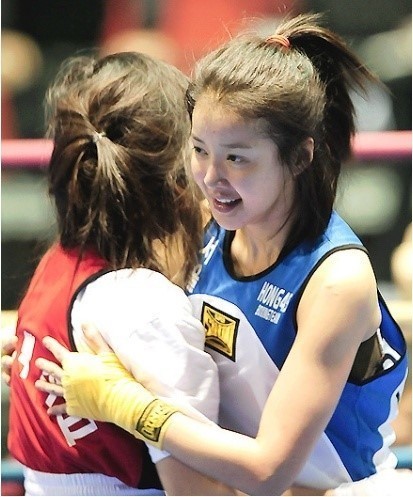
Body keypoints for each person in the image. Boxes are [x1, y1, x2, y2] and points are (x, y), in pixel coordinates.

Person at [35, 12, 411, 496]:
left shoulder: (336, 280)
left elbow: (269, 472)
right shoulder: (202, 225)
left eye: (236, 157)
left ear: (300, 156)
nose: (211, 178)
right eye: (198, 150)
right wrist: (45, 355)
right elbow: (133, 329)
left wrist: (128, 406)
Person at [6, 50, 235, 496]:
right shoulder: (143, 304)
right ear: (178, 182)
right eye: (200, 151)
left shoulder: (59, 262)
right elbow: (199, 493)